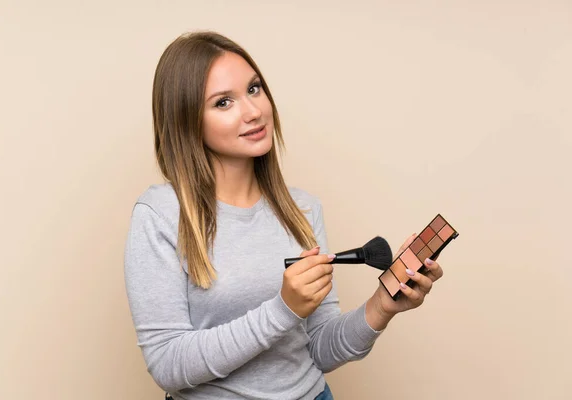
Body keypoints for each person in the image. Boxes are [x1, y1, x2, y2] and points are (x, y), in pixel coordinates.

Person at [123, 30, 444, 400]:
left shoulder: (302, 209)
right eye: (223, 102)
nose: (253, 111)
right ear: (186, 119)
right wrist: (282, 309)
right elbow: (167, 366)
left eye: (254, 89)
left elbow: (319, 350)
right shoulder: (160, 215)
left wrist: (382, 306)